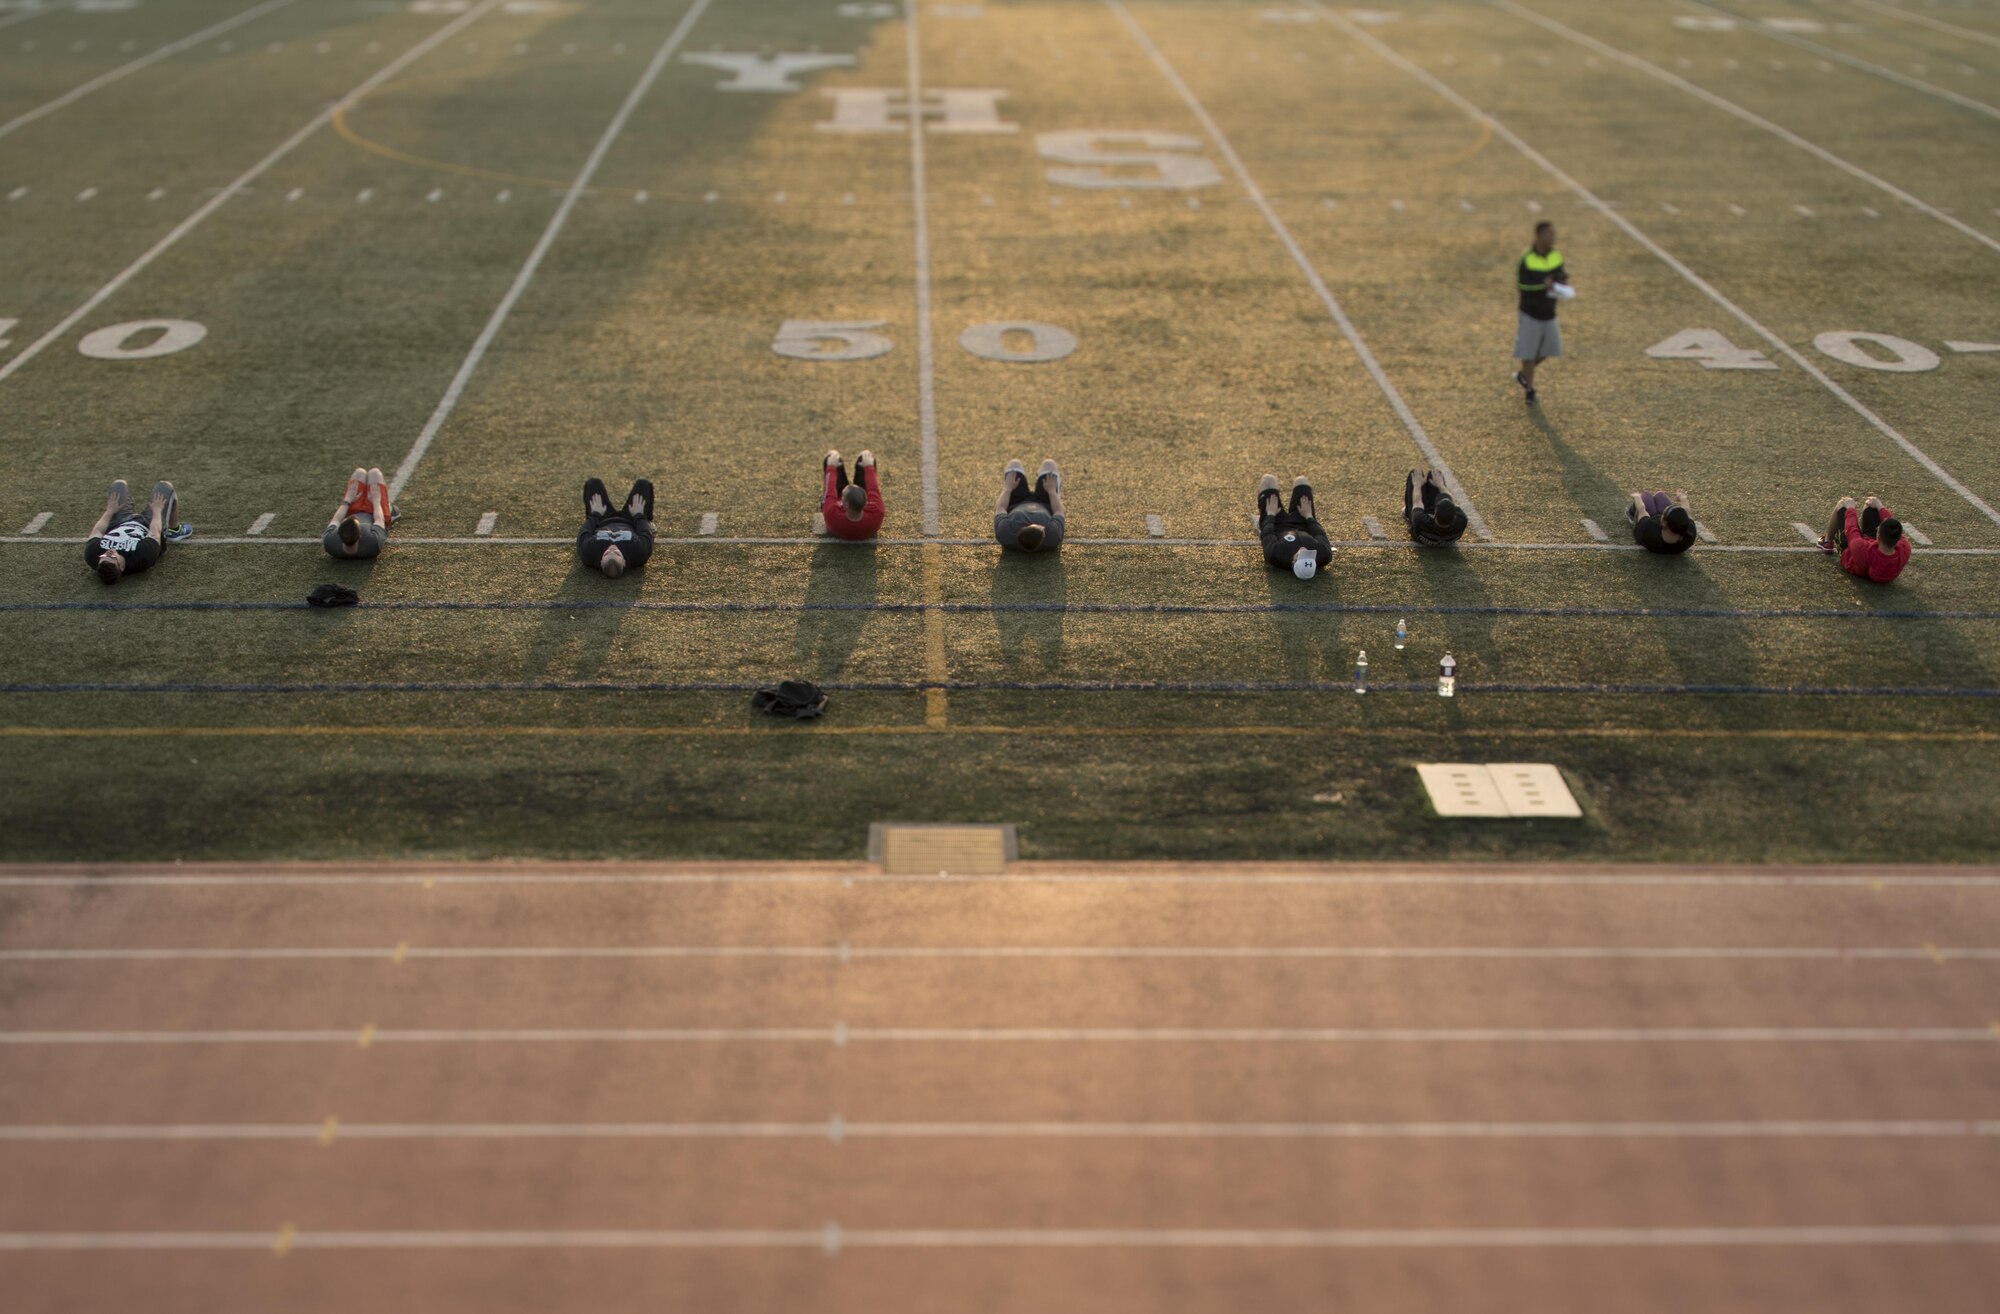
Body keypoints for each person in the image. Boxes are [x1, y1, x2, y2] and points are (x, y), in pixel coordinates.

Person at [1513, 220, 1569, 406]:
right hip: (1530, 312)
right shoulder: (1527, 258)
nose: (1553, 237)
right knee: (1528, 354)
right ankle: (1529, 390)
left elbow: (1560, 274)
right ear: (1538, 236)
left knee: (1549, 350)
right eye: (1549, 234)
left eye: (1553, 233)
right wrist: (1543, 285)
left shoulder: (1556, 255)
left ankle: (1522, 375)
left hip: (1549, 312)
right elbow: (1522, 284)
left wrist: (1562, 283)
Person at [82, 479, 176, 586]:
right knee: (165, 486)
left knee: (118, 484)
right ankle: (175, 529)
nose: (108, 553)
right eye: (112, 557)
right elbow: (155, 532)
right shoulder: (141, 557)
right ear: (121, 566)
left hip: (119, 523)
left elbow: (97, 531)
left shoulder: (92, 555)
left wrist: (109, 511)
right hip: (147, 524)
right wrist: (157, 510)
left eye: (103, 557)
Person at [576, 476, 655, 578]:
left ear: (600, 561)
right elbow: (646, 534)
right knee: (643, 484)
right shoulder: (639, 553)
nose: (612, 548)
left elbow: (584, 532)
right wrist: (639, 516)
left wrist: (595, 514)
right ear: (624, 562)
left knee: (593, 483)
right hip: (631, 520)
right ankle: (649, 521)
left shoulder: (589, 553)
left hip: (602, 518)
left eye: (607, 553)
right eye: (617, 553)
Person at [1819, 495, 1909, 584]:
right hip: (1870, 552)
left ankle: (1827, 542)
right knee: (1871, 506)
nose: (1877, 528)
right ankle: (1866, 529)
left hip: (1852, 554)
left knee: (1842, 505)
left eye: (1879, 528)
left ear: (1879, 537)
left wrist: (1850, 508)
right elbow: (1892, 526)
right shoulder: (1905, 548)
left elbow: (1851, 530)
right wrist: (1879, 506)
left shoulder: (1862, 549)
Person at [1257, 474, 1332, 580]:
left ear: (1293, 562)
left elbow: (1267, 533)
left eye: (1301, 555)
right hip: (1303, 521)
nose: (1304, 549)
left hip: (1277, 523)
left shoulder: (1275, 555)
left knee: (1268, 480)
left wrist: (1270, 515)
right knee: (1301, 481)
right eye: (1308, 554)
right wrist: (1309, 516)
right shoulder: (1324, 555)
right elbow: (1320, 534)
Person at [322, 466, 395, 559]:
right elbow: (379, 519)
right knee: (375, 473)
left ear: (339, 534)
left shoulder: (330, 542)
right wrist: (376, 500)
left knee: (359, 473)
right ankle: (391, 510)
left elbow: (336, 519)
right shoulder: (373, 542)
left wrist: (348, 499)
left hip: (352, 510)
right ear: (360, 536)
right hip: (374, 512)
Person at [994, 458, 1065, 552]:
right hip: (1045, 503)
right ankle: (1040, 482)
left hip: (1016, 503)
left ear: (1021, 529)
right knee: (1049, 464)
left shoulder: (1006, 532)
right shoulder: (1053, 536)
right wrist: (1052, 490)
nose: (1042, 526)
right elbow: (1059, 511)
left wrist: (1007, 488)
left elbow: (1000, 507)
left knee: (1014, 464)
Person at [813, 449, 883, 542]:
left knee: (831, 456)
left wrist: (831, 466)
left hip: (837, 526)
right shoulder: (877, 511)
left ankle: (833, 460)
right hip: (865, 527)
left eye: (842, 496)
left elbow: (830, 489)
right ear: (866, 502)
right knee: (866, 457)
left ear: (844, 504)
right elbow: (873, 488)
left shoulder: (831, 513)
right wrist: (869, 467)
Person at [1404, 468, 1468, 546]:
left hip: (1423, 524)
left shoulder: (1419, 520)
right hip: (1436, 530)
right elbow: (1452, 501)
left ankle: (1407, 513)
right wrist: (1440, 485)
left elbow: (1417, 502)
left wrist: (1417, 485)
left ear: (1435, 512)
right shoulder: (1461, 520)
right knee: (1435, 475)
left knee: (1414, 474)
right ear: (1454, 516)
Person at [1627, 490, 1697, 555]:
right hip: (1664, 527)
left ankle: (1631, 512)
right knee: (1660, 495)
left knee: (1646, 495)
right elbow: (1687, 511)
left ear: (1664, 523)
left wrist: (1637, 496)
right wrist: (1683, 497)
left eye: (1663, 515)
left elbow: (1641, 508)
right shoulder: (1689, 534)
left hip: (1649, 521)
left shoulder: (1648, 528)